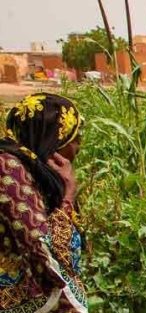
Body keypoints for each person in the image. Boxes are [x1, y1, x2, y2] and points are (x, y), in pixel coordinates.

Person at [0, 93, 86, 312]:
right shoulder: (8, 169)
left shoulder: (25, 167)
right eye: (74, 137)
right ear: (53, 140)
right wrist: (68, 193)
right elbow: (45, 250)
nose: (79, 145)